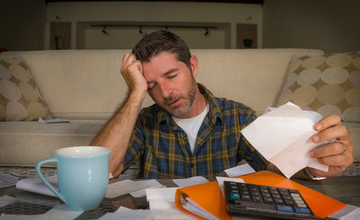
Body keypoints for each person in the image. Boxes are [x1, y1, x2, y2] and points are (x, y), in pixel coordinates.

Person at [91, 30, 353, 180]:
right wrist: (135, 93)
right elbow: (97, 172)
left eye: (171, 76)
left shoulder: (237, 116)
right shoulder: (143, 121)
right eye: (151, 85)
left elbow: (276, 165)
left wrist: (315, 166)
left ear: (192, 66)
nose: (166, 92)